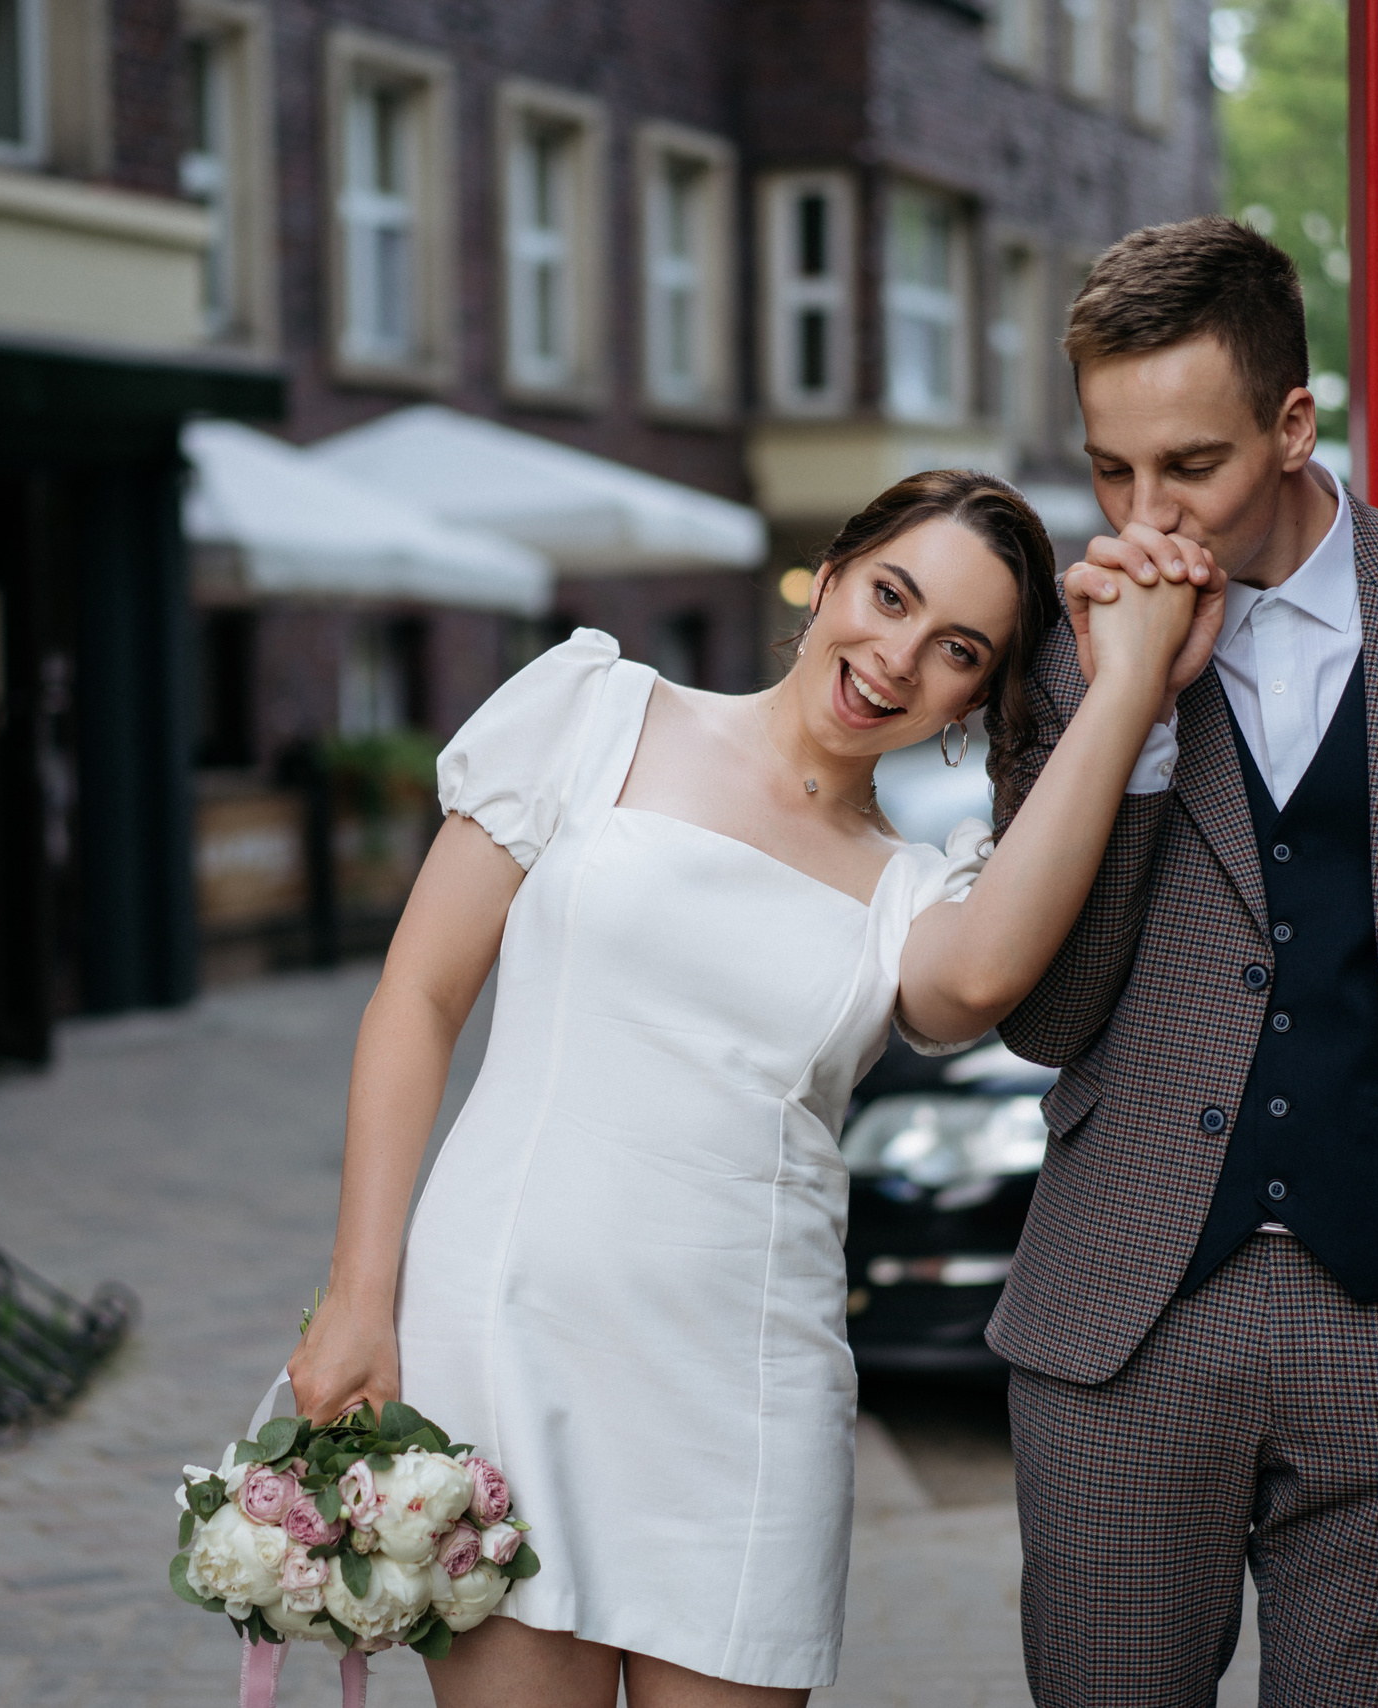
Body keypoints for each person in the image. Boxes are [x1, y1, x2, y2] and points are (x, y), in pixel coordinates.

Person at [287, 469, 1214, 1707]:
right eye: (888, 595)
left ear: (975, 697)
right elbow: (416, 998)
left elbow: (983, 978)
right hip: (507, 1335)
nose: (894, 657)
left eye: (955, 651)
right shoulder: (594, 711)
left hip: (745, 1397)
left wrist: (1128, 685)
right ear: (827, 575)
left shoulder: (915, 890)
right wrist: (361, 1293)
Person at [987, 215, 1378, 1707]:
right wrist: (1128, 717)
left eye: (1189, 465)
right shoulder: (1067, 653)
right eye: (1108, 467)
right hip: (1124, 1333)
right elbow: (1047, 1018)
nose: (1146, 514)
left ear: (1294, 422)